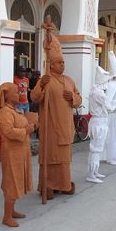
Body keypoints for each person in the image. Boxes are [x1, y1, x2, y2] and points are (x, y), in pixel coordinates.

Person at [30, 27, 81, 200]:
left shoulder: (69, 81)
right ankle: (47, 185)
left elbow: (80, 100)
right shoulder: (46, 79)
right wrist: (41, 85)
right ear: (51, 65)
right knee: (50, 157)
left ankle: (64, 184)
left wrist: (72, 97)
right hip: (50, 126)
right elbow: (35, 98)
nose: (63, 65)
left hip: (66, 125)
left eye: (63, 62)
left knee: (64, 159)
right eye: (59, 63)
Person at [0, 82, 37, 227]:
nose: (18, 94)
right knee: (11, 182)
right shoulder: (5, 112)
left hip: (19, 151)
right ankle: (6, 216)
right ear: (7, 96)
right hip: (11, 152)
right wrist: (26, 130)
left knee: (17, 179)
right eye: (15, 92)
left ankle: (11, 211)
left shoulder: (14, 110)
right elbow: (8, 132)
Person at [86, 66, 113, 184]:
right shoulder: (99, 94)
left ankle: (94, 171)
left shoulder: (95, 91)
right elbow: (109, 107)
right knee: (96, 150)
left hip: (98, 122)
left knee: (96, 149)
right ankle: (91, 174)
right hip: (99, 122)